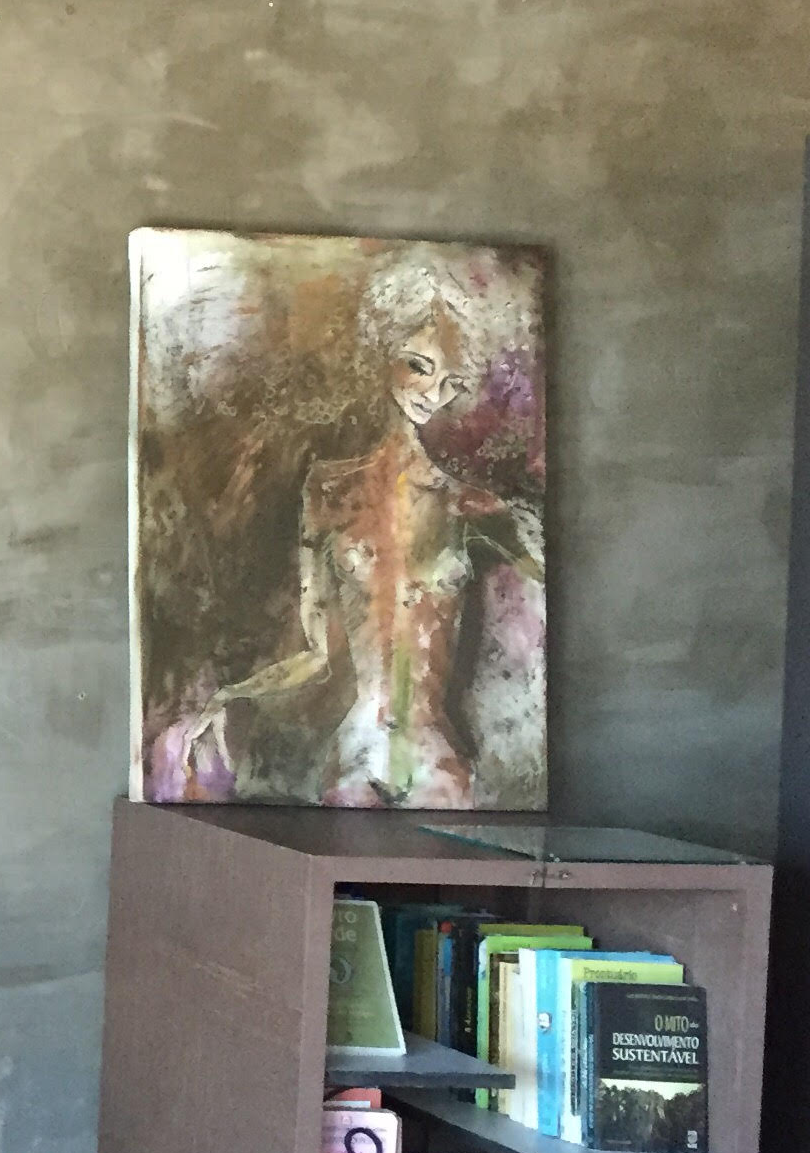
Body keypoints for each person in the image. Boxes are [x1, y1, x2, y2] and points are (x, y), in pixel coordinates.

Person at [161, 255, 542, 805]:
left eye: (450, 381)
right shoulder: (328, 491)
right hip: (356, 750)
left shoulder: (470, 505)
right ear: (384, 355)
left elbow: (541, 600)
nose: (432, 393)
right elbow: (316, 654)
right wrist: (228, 697)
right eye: (418, 366)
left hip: (436, 757)